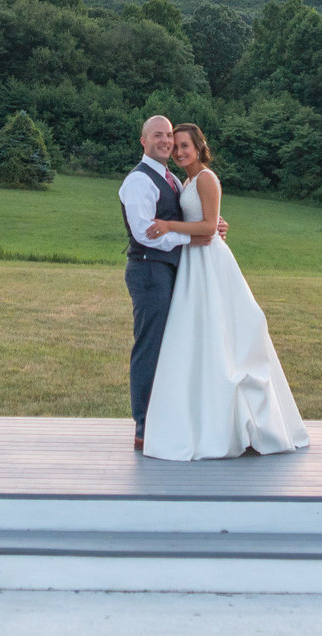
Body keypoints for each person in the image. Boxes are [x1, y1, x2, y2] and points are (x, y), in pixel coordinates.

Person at [140, 121, 309, 461]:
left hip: (210, 263)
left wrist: (171, 226)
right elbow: (209, 222)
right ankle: (200, 415)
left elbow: (207, 225)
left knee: (222, 334)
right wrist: (209, 226)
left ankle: (236, 421)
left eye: (185, 145)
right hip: (193, 262)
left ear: (199, 148)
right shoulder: (185, 180)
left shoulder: (206, 178)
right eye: (176, 146)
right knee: (198, 336)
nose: (179, 151)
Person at [120, 114, 207, 451]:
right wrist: (190, 241)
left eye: (169, 136)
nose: (165, 141)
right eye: (157, 135)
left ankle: (165, 417)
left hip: (168, 270)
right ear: (144, 141)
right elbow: (146, 233)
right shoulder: (139, 181)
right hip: (149, 270)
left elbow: (185, 218)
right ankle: (143, 424)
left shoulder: (170, 178)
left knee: (171, 346)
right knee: (150, 346)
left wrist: (212, 225)